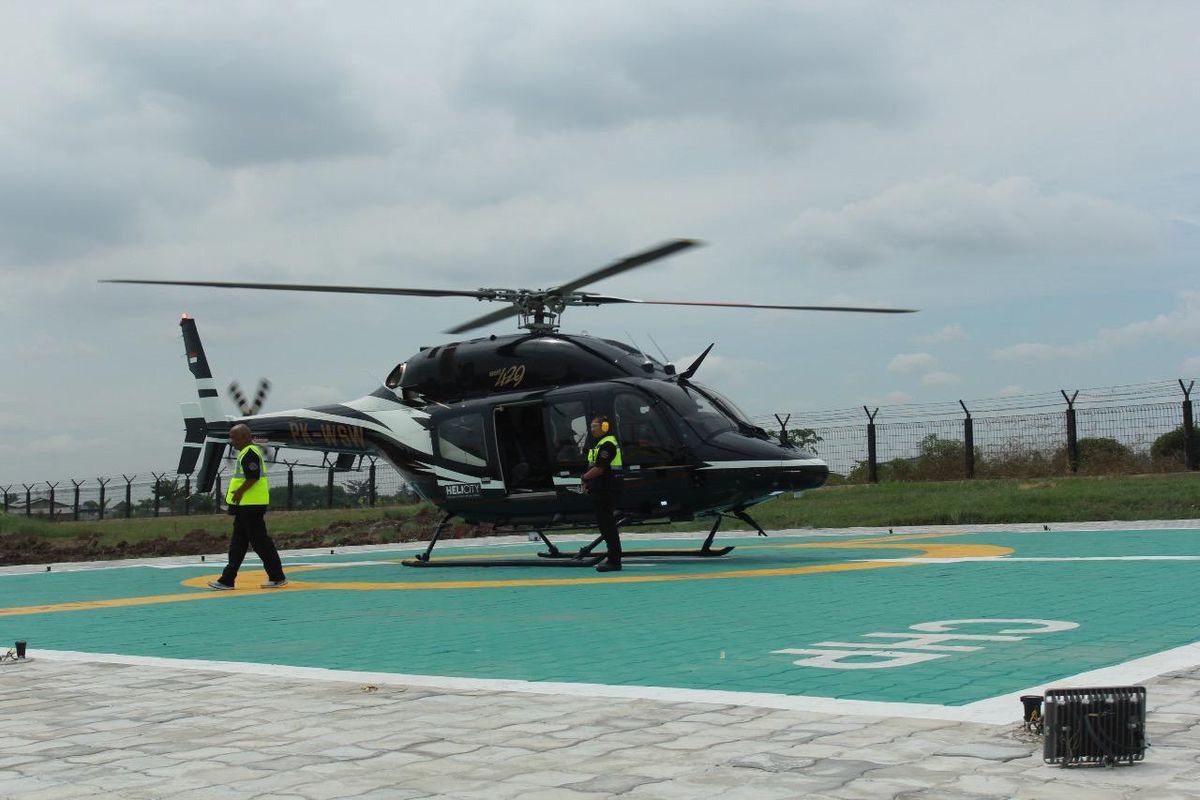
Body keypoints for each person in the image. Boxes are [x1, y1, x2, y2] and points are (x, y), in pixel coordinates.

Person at [208, 424, 288, 590]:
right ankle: (227, 580)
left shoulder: (250, 453)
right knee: (238, 544)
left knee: (260, 543)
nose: (232, 442)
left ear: (244, 437)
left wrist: (238, 492)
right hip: (245, 506)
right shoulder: (245, 453)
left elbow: (253, 477)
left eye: (234, 437)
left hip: (251, 505)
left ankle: (277, 576)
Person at [582, 415, 623, 572]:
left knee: (607, 526)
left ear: (604, 427)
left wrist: (584, 478)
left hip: (606, 489)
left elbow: (599, 469)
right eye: (591, 427)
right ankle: (613, 557)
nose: (592, 430)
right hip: (601, 489)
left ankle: (614, 560)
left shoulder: (607, 445)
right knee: (606, 525)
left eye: (595, 426)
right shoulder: (600, 444)